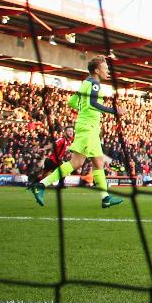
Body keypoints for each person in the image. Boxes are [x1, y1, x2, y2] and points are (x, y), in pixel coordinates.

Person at [28, 57, 124, 209]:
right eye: (105, 69)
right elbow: (92, 103)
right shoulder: (94, 84)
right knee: (76, 163)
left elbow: (72, 102)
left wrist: (83, 109)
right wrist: (115, 111)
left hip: (87, 127)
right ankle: (41, 185)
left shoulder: (85, 83)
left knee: (97, 163)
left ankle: (105, 198)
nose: (108, 71)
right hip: (88, 128)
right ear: (97, 71)